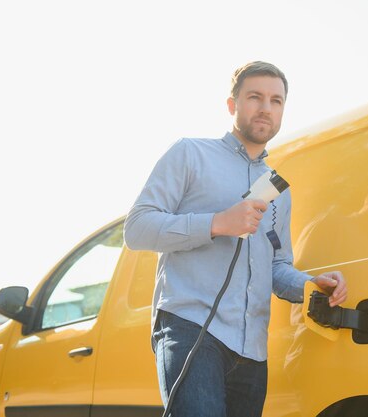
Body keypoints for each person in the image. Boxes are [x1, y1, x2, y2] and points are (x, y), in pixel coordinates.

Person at [124, 61, 347, 417]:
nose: (265, 108)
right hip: (192, 329)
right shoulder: (189, 153)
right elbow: (137, 229)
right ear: (232, 105)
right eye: (254, 97)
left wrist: (310, 284)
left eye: (276, 101)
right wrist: (217, 223)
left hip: (252, 349)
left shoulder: (278, 189)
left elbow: (276, 266)